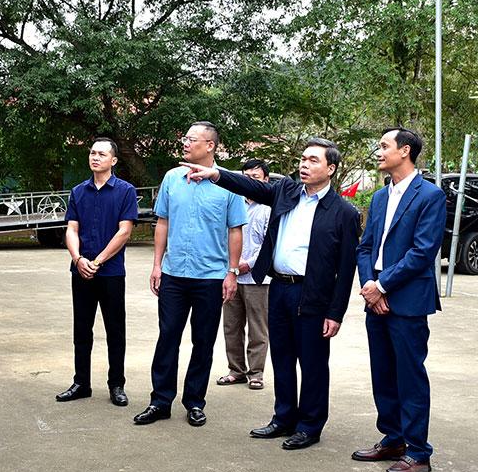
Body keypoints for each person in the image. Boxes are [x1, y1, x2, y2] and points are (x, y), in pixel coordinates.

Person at [182, 138, 360, 451]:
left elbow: (346, 269)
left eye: (313, 160)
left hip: (313, 294)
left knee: (313, 363)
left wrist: (336, 313)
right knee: (282, 357)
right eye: (303, 159)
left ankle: (310, 426)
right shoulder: (286, 192)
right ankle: (284, 417)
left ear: (331, 168)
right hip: (278, 288)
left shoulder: (343, 211)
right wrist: (215, 174)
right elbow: (250, 186)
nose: (304, 165)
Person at [133, 121, 245, 428]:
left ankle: (195, 402)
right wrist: (157, 265)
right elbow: (163, 223)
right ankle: (160, 401)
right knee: (167, 336)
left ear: (210, 145)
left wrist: (232, 272)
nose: (185, 143)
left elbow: (235, 230)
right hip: (174, 274)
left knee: (203, 341)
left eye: (192, 139)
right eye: (185, 137)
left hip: (211, 276)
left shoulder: (229, 183)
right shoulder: (172, 178)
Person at [353, 128, 446, 472]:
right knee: (383, 373)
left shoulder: (430, 195)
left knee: (410, 377)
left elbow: (423, 251)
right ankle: (393, 439)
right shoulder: (380, 197)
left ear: (405, 151)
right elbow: (365, 247)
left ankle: (418, 452)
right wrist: (369, 286)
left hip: (405, 299)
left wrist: (382, 285)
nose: (378, 152)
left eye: (383, 146)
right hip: (375, 295)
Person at [55, 138, 139, 407]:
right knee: (82, 330)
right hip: (81, 271)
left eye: (102, 154)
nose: (95, 157)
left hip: (111, 272)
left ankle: (117, 384)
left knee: (115, 330)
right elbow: (71, 229)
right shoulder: (78, 191)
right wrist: (78, 259)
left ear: (113, 160)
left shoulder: (125, 191)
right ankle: (81, 383)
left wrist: (98, 261)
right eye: (92, 153)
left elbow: (124, 231)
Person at [215, 159, 273, 391]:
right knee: (231, 325)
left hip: (257, 279)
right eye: (245, 177)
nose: (249, 182)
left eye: (255, 178)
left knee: (258, 327)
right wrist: (230, 267)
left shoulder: (268, 208)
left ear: (266, 180)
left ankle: (256, 373)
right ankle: (236, 370)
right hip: (231, 276)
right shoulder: (233, 203)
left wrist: (247, 264)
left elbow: (269, 244)